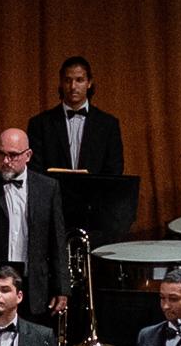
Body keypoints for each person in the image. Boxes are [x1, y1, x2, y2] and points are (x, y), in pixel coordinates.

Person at [27, 56, 132, 236]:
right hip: (52, 208)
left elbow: (114, 169)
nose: (73, 86)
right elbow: (35, 168)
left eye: (79, 80)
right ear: (61, 83)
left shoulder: (108, 124)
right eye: (68, 80)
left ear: (89, 83)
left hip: (95, 211)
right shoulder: (40, 124)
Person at [0, 126, 63, 300]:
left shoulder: (48, 187)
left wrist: (61, 288)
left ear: (28, 155)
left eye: (13, 155)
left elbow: (56, 240)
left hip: (34, 284)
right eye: (0, 154)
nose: (5, 160)